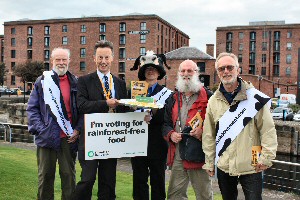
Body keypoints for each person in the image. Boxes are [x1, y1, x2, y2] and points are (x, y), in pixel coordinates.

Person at [202, 52, 278, 200]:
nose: (226, 71)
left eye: (230, 67)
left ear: (238, 70)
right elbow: (209, 134)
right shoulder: (213, 101)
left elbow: (267, 130)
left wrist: (266, 158)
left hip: (251, 165)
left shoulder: (255, 98)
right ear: (217, 73)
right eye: (221, 68)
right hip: (224, 165)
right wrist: (210, 162)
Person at [72, 40, 129, 200]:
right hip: (91, 138)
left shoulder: (120, 83)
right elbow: (82, 105)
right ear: (94, 58)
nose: (103, 61)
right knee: (87, 179)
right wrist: (106, 103)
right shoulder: (84, 81)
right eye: (100, 57)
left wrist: (139, 112)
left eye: (106, 57)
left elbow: (124, 109)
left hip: (111, 139)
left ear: (112, 59)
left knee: (108, 182)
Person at [27, 47, 83, 200]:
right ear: (52, 61)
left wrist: (78, 129)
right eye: (58, 59)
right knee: (45, 178)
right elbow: (32, 109)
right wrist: (41, 129)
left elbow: (82, 110)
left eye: (64, 59)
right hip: (47, 138)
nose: (61, 62)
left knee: (69, 178)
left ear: (69, 61)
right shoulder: (43, 81)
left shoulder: (76, 82)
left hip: (68, 138)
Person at [162, 59, 212, 200]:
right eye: (183, 71)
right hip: (178, 153)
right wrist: (171, 135)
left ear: (196, 73)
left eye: (189, 70)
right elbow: (165, 124)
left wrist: (203, 131)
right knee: (174, 195)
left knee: (204, 196)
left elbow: (218, 124)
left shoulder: (209, 97)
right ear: (178, 74)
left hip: (199, 154)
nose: (186, 74)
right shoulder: (173, 98)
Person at [129, 50, 172, 200]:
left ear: (159, 72)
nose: (150, 72)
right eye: (147, 69)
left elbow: (168, 118)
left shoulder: (168, 94)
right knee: (139, 180)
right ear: (142, 72)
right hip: (136, 142)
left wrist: (153, 114)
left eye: (153, 69)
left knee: (157, 180)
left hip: (157, 142)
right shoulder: (133, 92)